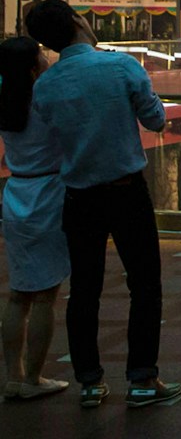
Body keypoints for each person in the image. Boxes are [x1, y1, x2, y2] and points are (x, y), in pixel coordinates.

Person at [25, 0, 181, 409]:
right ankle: (143, 379)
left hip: (78, 196)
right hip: (127, 191)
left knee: (84, 290)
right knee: (145, 284)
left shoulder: (45, 85)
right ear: (79, 21)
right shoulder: (121, 66)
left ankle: (91, 383)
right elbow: (156, 120)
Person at [0, 36, 69, 401]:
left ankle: (14, 376)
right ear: (32, 66)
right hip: (48, 195)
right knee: (45, 296)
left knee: (18, 295)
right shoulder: (45, 100)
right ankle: (34, 378)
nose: (46, 57)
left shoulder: (6, 101)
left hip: (15, 196)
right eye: (41, 54)